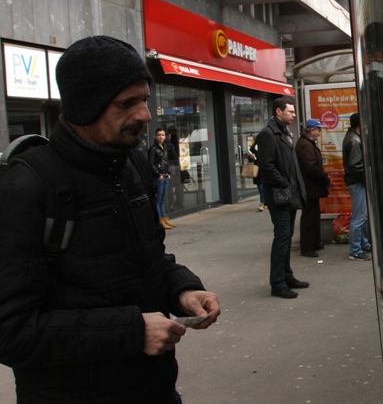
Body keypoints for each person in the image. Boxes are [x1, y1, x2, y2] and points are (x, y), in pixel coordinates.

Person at [0, 35, 220, 403]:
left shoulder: (131, 165)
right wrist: (133, 331)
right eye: (126, 103)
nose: (145, 115)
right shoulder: (27, 188)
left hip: (155, 389)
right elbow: (11, 332)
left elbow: (149, 259)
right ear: (86, 107)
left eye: (145, 100)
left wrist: (182, 289)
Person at [254, 97, 309, 298]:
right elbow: (266, 165)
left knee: (286, 237)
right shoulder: (268, 134)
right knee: (282, 237)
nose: (294, 115)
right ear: (279, 112)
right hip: (280, 195)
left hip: (289, 194)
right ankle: (277, 283)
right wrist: (283, 183)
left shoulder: (283, 132)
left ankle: (286, 276)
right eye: (291, 111)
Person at [295, 118, 331, 258]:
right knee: (309, 217)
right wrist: (325, 179)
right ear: (312, 130)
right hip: (309, 186)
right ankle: (307, 246)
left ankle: (314, 242)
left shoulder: (307, 143)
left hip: (311, 187)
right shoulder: (305, 145)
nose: (319, 132)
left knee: (314, 215)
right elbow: (310, 167)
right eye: (318, 129)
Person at [343, 112, 372, 261]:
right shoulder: (354, 140)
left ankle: (363, 244)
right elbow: (356, 165)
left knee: (362, 215)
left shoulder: (353, 137)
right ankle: (355, 250)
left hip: (356, 181)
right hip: (357, 181)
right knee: (359, 217)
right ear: (359, 125)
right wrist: (367, 181)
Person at [149, 127, 177, 229]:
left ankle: (165, 218)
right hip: (159, 177)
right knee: (158, 199)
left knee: (162, 199)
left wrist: (168, 172)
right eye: (159, 135)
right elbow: (151, 163)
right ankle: (160, 220)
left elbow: (166, 162)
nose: (161, 137)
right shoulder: (153, 149)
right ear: (156, 136)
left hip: (165, 175)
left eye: (163, 135)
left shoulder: (165, 147)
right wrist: (158, 174)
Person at [249, 142, 266, 211]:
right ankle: (262, 202)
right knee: (260, 187)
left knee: (264, 187)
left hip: (265, 169)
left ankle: (263, 202)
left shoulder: (265, 146)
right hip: (257, 170)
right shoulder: (253, 148)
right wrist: (251, 157)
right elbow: (250, 159)